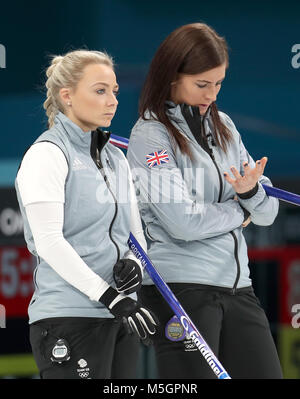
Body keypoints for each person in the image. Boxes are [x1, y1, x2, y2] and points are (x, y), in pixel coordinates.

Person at [126, 23, 283, 379]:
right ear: (172, 76)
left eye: (218, 83)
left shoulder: (224, 125)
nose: (212, 94)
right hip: (182, 290)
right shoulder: (150, 136)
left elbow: (268, 212)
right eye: (202, 84)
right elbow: (183, 222)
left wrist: (250, 194)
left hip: (238, 286)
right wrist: (240, 210)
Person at [15, 49, 158, 379]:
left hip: (119, 316)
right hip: (69, 317)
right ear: (67, 96)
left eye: (115, 91)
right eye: (100, 91)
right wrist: (109, 296)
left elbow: (135, 239)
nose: (113, 101)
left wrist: (134, 267)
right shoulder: (47, 155)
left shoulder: (116, 161)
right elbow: (50, 243)